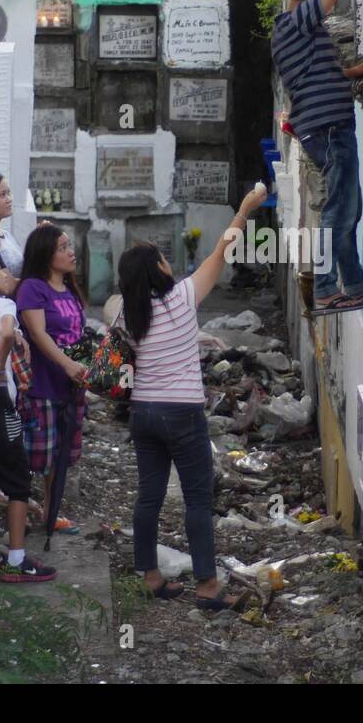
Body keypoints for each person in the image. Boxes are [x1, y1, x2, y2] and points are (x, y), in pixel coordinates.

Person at [117, 183, 270, 610]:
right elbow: (222, 249)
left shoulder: (127, 314)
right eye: (163, 259)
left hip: (143, 411)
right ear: (159, 270)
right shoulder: (183, 298)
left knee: (148, 495)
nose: (169, 262)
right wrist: (244, 209)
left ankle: (148, 575)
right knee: (198, 499)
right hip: (182, 412)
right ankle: (206, 584)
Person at [272, 0, 363, 317]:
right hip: (329, 129)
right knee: (341, 210)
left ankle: (352, 282)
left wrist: (360, 71)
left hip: (326, 127)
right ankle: (323, 287)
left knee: (346, 208)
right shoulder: (296, 22)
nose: (327, 3)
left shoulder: (294, 32)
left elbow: (323, 74)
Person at [0, 256, 57, 583]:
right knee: (19, 476)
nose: (6, 273)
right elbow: (6, 333)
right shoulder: (4, 305)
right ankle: (17, 560)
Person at [16, 223, 88, 548]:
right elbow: (39, 335)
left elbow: (78, 336)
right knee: (38, 457)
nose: (70, 251)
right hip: (43, 386)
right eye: (62, 247)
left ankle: (50, 510)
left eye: (69, 245)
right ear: (45, 254)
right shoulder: (33, 288)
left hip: (71, 387)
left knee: (62, 455)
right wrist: (68, 365)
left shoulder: (70, 290)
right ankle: (27, 515)